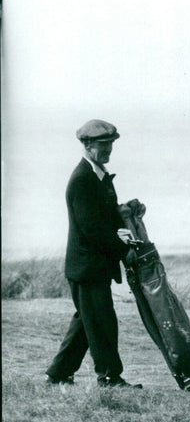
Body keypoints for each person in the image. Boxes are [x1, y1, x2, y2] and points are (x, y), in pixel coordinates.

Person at [45, 119, 143, 388]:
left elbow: (104, 217)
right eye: (103, 145)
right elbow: (93, 229)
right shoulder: (82, 179)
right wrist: (125, 251)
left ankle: (58, 373)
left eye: (111, 144)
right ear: (87, 145)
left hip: (90, 266)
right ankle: (110, 377)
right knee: (101, 322)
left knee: (87, 322)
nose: (108, 149)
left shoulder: (97, 176)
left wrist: (127, 210)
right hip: (87, 268)